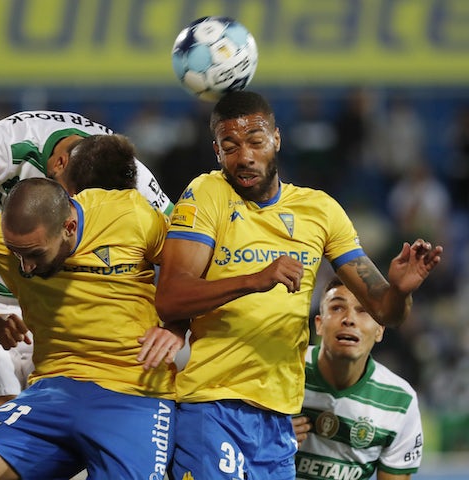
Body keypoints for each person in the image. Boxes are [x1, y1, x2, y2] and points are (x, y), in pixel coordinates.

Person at [153, 91, 443, 480]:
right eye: (230, 146)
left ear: (277, 139)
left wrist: (400, 290)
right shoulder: (207, 194)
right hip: (214, 404)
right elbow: (171, 298)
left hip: (279, 417)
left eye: (255, 142)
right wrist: (255, 280)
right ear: (217, 151)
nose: (244, 157)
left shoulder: (319, 211)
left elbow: (386, 312)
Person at [0, 129, 183, 479]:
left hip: (135, 394)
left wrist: (177, 327)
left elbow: (197, 269)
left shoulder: (132, 216)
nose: (25, 268)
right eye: (16, 254)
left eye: (35, 254)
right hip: (54, 391)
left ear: (68, 227)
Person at [0, 110, 173, 418]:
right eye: (71, 199)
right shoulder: (3, 144)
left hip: (60, 301)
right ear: (58, 164)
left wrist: (174, 326)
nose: (72, 218)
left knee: (68, 431)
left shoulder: (130, 177)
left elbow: (185, 252)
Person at [292, 277, 422, 480]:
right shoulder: (284, 370)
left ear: (380, 330)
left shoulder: (399, 401)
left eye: (363, 311)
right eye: (336, 308)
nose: (349, 319)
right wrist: (266, 440)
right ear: (318, 324)